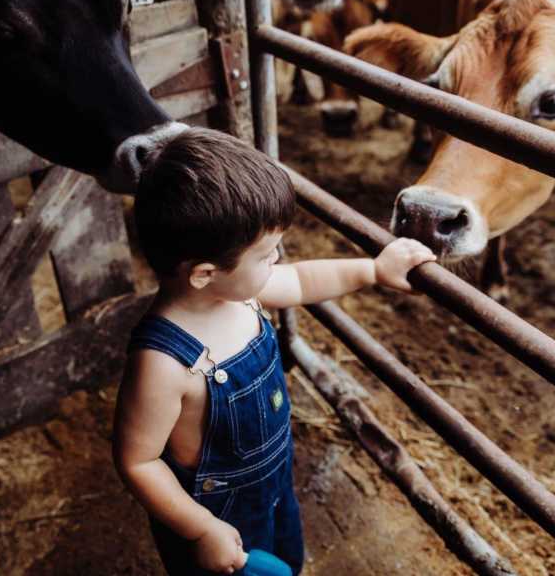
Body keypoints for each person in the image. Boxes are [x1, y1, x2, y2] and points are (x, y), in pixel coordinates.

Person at [113, 128, 435, 575]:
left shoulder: (241, 293)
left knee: (285, 558)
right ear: (205, 273)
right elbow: (139, 461)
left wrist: (374, 270)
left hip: (276, 483)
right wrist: (201, 528)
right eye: (265, 255)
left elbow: (303, 281)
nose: (278, 261)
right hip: (217, 518)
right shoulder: (163, 364)